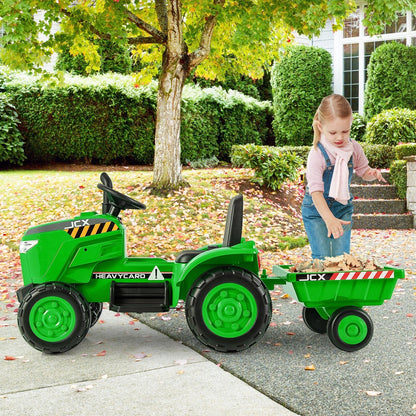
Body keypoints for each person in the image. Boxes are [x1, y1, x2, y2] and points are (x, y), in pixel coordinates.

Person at [301, 94, 385, 259]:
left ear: (351, 124)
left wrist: (372, 174)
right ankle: (322, 284)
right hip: (317, 210)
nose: (340, 137)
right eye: (333, 132)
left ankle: (340, 284)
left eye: (345, 131)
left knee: (342, 258)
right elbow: (316, 192)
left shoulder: (353, 148)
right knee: (323, 258)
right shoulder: (317, 154)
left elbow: (363, 171)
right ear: (320, 126)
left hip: (342, 208)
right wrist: (329, 219)